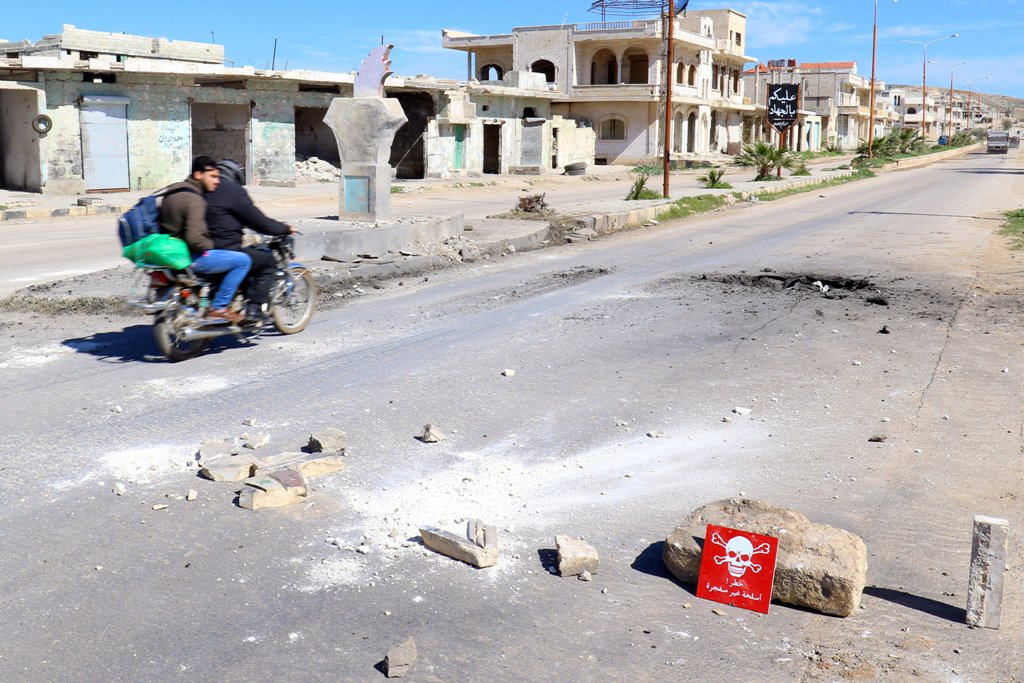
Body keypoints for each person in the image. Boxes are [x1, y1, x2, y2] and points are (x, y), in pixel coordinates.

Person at [159, 156, 251, 323]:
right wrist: (212, 245)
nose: (217, 181)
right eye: (213, 176)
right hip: (188, 257)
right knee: (242, 261)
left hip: (168, 253)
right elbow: (195, 240)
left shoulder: (175, 189)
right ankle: (220, 307)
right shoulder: (195, 199)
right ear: (198, 174)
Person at [205, 159, 295, 322]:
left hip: (203, 250)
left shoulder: (203, 189)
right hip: (226, 249)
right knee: (267, 262)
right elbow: (259, 222)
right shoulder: (232, 191)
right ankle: (254, 309)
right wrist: (283, 228)